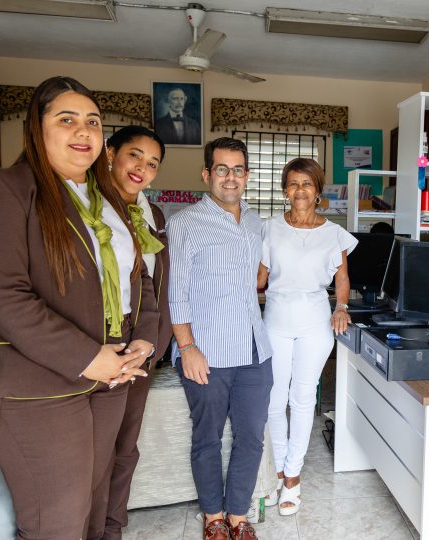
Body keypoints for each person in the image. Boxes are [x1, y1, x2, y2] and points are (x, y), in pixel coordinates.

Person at [0, 76, 159, 539]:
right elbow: (2, 295)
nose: (83, 131)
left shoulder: (106, 199)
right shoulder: (9, 191)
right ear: (37, 128)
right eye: (66, 119)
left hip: (109, 376)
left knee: (93, 502)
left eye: (93, 122)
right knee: (60, 519)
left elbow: (140, 279)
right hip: (34, 387)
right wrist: (90, 358)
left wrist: (144, 338)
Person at [168, 137, 272, 540]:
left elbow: (254, 279)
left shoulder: (254, 220)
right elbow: (176, 292)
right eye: (222, 169)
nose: (231, 177)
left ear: (247, 175)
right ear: (207, 174)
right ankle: (213, 519)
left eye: (238, 169)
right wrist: (188, 348)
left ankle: (237, 517)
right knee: (207, 438)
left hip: (254, 351)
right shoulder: (184, 223)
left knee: (250, 437)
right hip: (206, 352)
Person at [256, 158, 356, 516]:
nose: (300, 190)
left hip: (315, 319)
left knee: (302, 398)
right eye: (294, 183)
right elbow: (259, 280)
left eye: (307, 184)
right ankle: (279, 465)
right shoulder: (268, 228)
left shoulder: (333, 233)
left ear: (318, 191)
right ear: (285, 190)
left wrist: (341, 306)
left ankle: (293, 476)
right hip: (276, 318)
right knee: (273, 398)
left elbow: (342, 279)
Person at [87, 125, 172, 540]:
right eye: (134, 155)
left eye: (152, 163)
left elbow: (153, 284)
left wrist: (152, 342)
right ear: (109, 153)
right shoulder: (83, 205)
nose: (142, 168)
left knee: (125, 445)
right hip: (92, 343)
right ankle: (85, 526)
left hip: (139, 343)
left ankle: (112, 528)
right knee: (92, 449)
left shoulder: (152, 216)